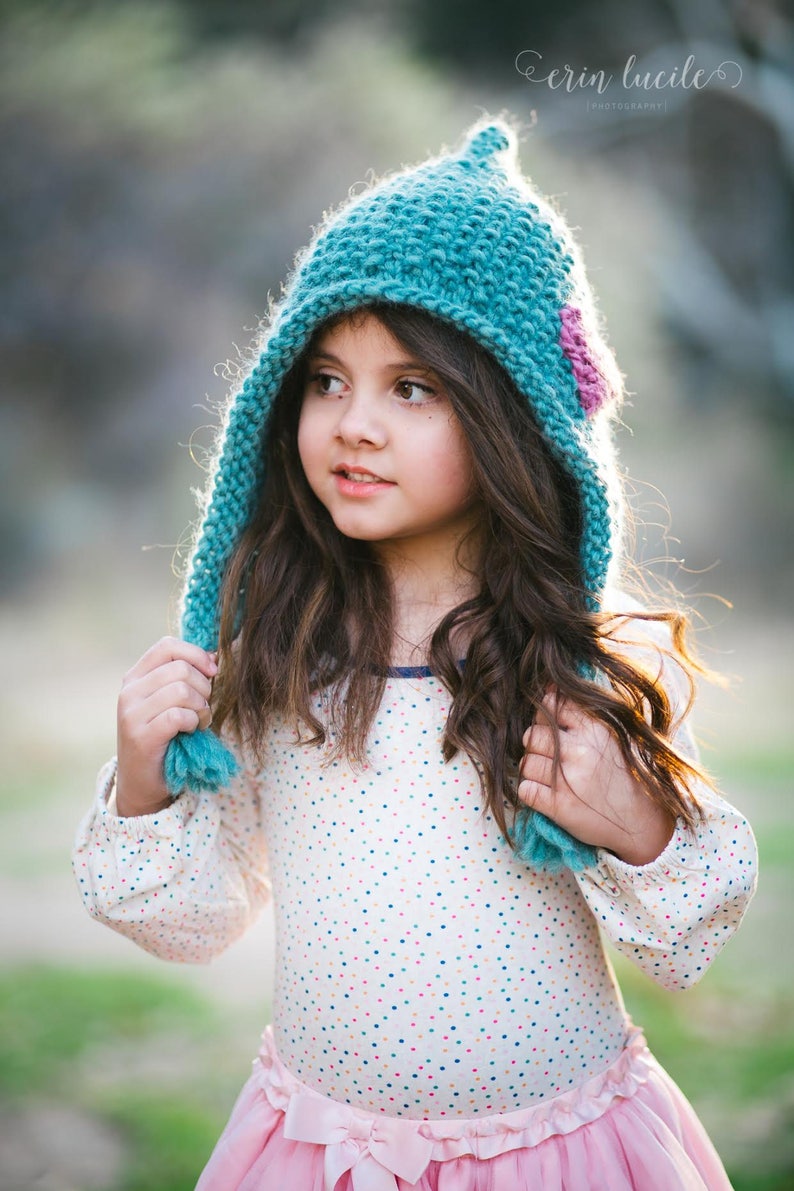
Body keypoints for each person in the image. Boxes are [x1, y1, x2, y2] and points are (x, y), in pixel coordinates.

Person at [72, 114, 757, 1190]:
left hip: (557, 1152)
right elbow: (194, 924)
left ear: (512, 417)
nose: (352, 424)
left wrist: (630, 822)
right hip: (320, 1152)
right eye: (323, 380)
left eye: (411, 388)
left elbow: (687, 935)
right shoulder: (281, 653)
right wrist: (145, 784)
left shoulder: (584, 659)